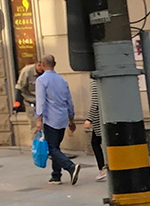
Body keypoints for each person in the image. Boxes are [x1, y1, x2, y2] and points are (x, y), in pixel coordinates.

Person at [34, 55, 81, 186]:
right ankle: (56, 175)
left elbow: (40, 101)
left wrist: (39, 119)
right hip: (62, 117)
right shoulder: (62, 80)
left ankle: (70, 167)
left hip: (50, 118)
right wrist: (71, 118)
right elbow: (69, 101)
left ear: (43, 64)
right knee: (56, 146)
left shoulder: (41, 80)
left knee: (51, 148)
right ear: (54, 64)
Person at [84, 79, 107, 182]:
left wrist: (89, 119)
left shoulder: (95, 82)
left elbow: (95, 103)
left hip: (99, 119)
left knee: (96, 142)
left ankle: (102, 168)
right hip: (107, 116)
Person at [14, 59, 44, 135]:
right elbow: (19, 87)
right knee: (36, 127)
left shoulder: (45, 73)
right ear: (38, 65)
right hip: (32, 103)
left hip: (43, 104)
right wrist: (17, 102)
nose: (43, 71)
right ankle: (37, 141)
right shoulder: (27, 71)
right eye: (41, 68)